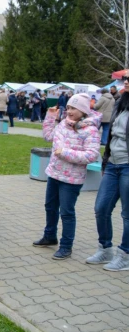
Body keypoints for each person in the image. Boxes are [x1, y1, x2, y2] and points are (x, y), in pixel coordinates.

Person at [33, 93, 101, 260]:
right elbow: (48, 136)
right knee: (50, 206)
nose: (69, 111)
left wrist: (65, 153)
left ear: (83, 111)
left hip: (72, 179)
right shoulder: (63, 124)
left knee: (66, 212)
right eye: (69, 107)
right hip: (54, 173)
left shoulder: (90, 130)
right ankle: (49, 236)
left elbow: (91, 155)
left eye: (74, 108)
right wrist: (50, 117)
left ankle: (66, 246)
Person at [87, 78, 129, 271]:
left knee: (127, 214)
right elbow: (111, 134)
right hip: (113, 164)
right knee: (101, 208)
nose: (125, 82)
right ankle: (105, 248)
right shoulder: (121, 102)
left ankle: (125, 255)